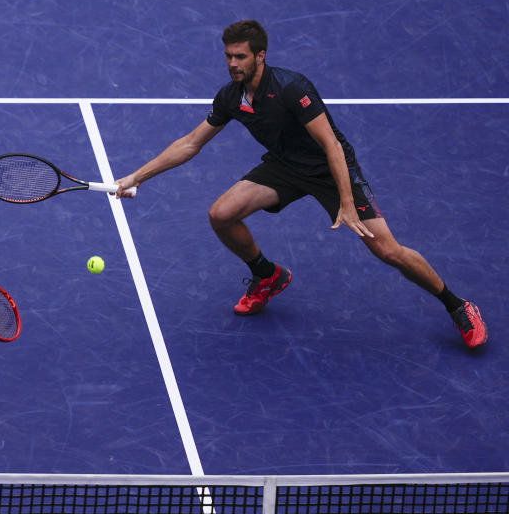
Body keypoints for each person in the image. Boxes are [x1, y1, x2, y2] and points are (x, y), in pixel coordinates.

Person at [114, 20, 488, 349]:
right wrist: (136, 176)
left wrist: (345, 200)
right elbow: (190, 143)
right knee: (221, 214)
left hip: (330, 170)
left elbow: (332, 146)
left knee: (388, 251)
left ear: (261, 56)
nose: (232, 64)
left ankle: (457, 306)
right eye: (228, 56)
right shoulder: (230, 97)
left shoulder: (292, 88)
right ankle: (267, 275)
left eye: (240, 57)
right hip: (285, 167)